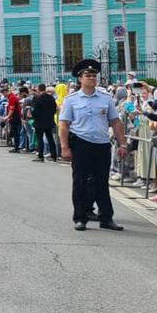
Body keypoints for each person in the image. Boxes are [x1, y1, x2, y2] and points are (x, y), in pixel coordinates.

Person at [59, 59, 128, 232]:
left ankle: (106, 217)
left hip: (102, 143)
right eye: (87, 76)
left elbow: (115, 121)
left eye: (94, 76)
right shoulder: (71, 100)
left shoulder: (105, 98)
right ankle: (81, 217)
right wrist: (64, 147)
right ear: (80, 79)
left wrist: (123, 143)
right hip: (81, 143)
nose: (91, 78)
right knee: (80, 182)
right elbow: (64, 125)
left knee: (102, 182)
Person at [30, 83, 59, 162]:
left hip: (39, 121)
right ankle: (54, 155)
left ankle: (40, 156)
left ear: (39, 89)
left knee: (40, 139)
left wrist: (34, 115)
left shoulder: (37, 99)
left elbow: (34, 112)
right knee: (50, 138)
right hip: (49, 121)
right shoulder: (51, 98)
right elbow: (54, 109)